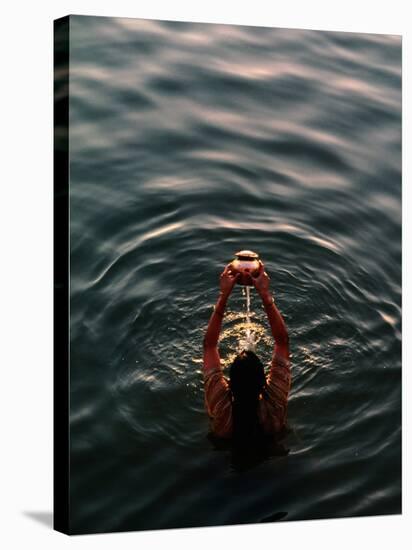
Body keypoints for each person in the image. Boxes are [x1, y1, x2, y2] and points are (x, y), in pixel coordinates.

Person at [203, 262, 291, 444]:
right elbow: (282, 341)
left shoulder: (221, 406)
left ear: (229, 384)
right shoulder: (274, 404)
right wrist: (265, 295)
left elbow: (209, 345)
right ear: (264, 383)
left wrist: (223, 295)